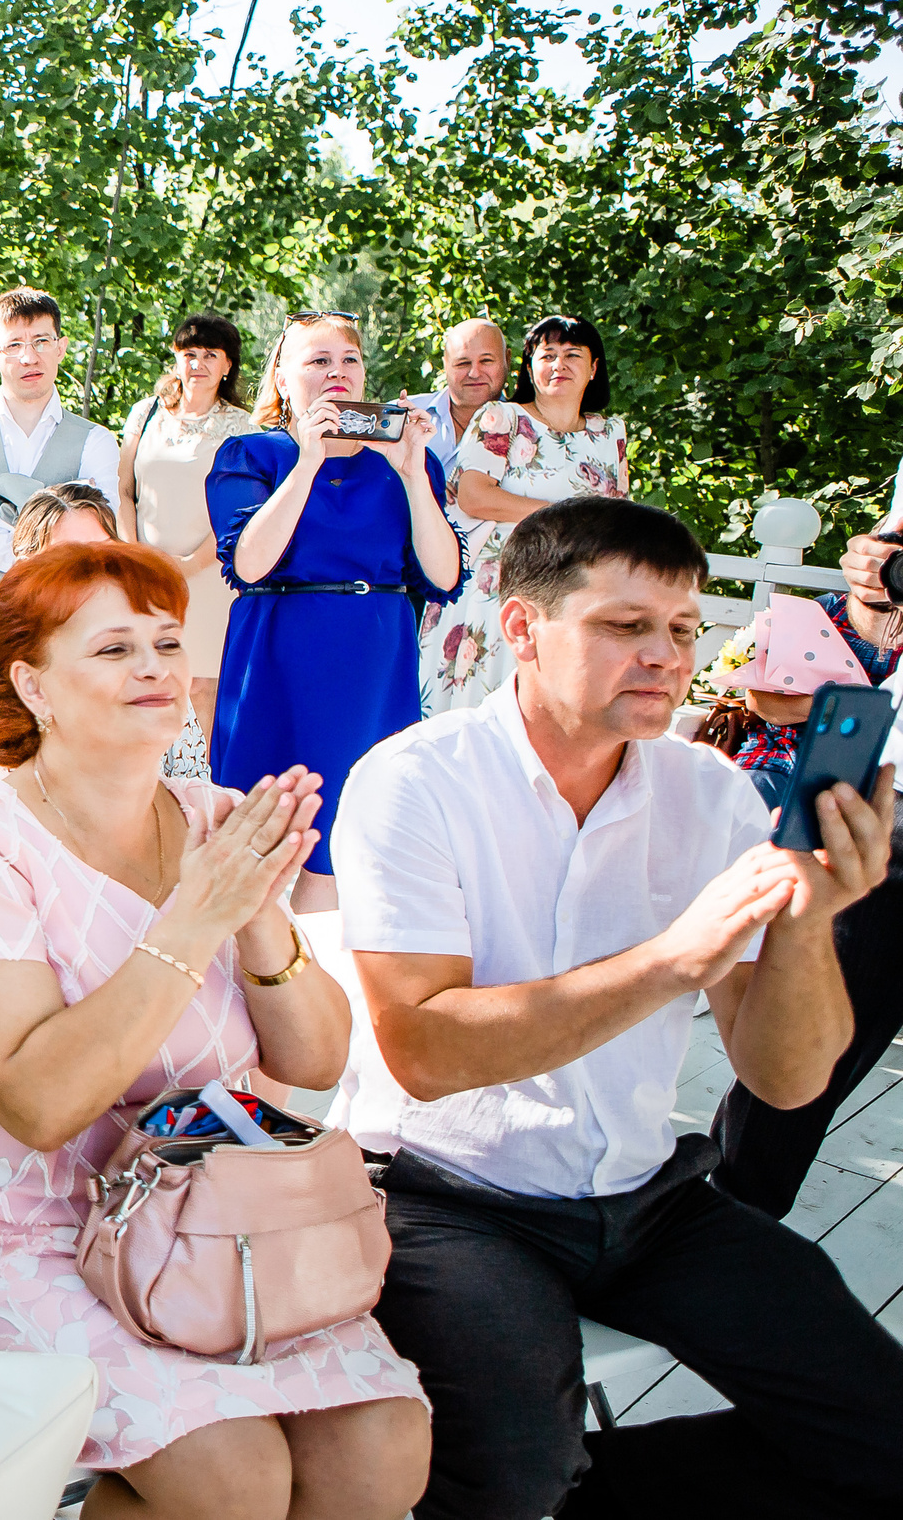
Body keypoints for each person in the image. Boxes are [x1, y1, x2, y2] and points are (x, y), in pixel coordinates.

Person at [332, 496, 903, 1520]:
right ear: (522, 628)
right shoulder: (413, 782)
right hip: (446, 1194)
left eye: (682, 630)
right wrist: (672, 961)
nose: (667, 656)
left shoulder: (713, 795)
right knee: (515, 1471)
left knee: (883, 1428)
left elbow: (786, 1079)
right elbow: (421, 1050)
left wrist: (813, 921)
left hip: (649, 1196)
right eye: (623, 626)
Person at [0, 542, 428, 1517]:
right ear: (30, 684)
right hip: (14, 1238)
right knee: (233, 1475)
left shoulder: (214, 818)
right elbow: (40, 1104)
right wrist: (194, 921)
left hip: (211, 1223)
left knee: (381, 1442)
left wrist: (258, 919)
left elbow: (315, 1059)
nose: (154, 668)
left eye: (167, 643)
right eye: (114, 647)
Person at [206, 311, 462, 913]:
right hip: (278, 656)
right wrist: (309, 462)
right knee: (258, 832)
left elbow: (444, 575)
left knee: (346, 835)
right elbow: (248, 564)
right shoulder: (251, 454)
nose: (336, 373)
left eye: (348, 360)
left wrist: (411, 470)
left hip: (372, 662)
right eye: (317, 361)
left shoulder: (406, 461)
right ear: (283, 377)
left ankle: (320, 983)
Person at [708, 511, 903, 1219]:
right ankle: (729, 1218)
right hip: (892, 807)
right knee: (817, 1036)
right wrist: (874, 589)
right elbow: (875, 621)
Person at [420, 314, 629, 713]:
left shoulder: (610, 434)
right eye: (547, 355)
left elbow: (616, 518)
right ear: (530, 366)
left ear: (594, 368)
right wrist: (567, 515)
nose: (559, 365)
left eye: (572, 355)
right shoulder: (502, 418)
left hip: (572, 596)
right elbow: (475, 497)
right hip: (495, 591)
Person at [0, 287, 123, 661]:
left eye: (41, 341)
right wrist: (41, 546)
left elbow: (101, 527)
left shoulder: (95, 440)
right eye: (13, 345)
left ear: (61, 347)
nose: (29, 356)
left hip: (67, 615)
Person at [116, 313, 257, 737]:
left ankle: (203, 794)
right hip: (145, 574)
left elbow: (241, 512)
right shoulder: (145, 415)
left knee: (199, 687)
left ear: (228, 365)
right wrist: (136, 554)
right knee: (144, 681)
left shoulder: (243, 428)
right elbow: (124, 489)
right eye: (189, 353)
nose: (198, 363)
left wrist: (190, 564)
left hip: (210, 575)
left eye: (210, 355)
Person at [13, 484, 211, 782]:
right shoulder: (6, 667)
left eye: (105, 550)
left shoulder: (153, 658)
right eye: (70, 556)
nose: (95, 569)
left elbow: (191, 776)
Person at [405, 318, 508, 485]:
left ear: (507, 360)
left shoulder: (529, 430)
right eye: (463, 363)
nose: (474, 373)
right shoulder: (403, 416)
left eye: (486, 361)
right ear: (445, 365)